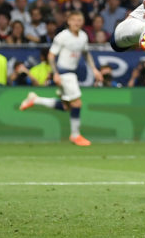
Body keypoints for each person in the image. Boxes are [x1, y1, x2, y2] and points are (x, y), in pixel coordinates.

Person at [19, 11, 103, 146]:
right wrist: (55, 73)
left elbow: (86, 54)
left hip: (71, 74)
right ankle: (75, 135)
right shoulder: (62, 37)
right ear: (68, 21)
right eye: (74, 20)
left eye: (79, 20)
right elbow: (51, 56)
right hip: (64, 73)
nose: (77, 22)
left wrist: (94, 69)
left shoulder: (83, 36)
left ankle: (35, 99)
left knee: (66, 106)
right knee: (77, 103)